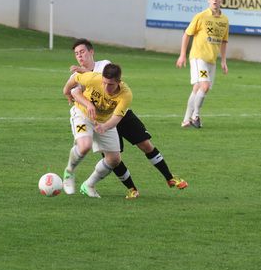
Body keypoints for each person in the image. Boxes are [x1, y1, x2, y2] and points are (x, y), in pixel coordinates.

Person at [66, 39, 188, 199]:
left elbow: (103, 79)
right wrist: (84, 99)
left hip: (120, 114)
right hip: (98, 117)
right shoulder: (80, 77)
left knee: (145, 144)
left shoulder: (105, 66)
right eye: (76, 54)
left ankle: (169, 177)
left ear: (91, 52)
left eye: (82, 52)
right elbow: (75, 92)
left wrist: (82, 72)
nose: (80, 56)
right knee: (114, 158)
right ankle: (131, 188)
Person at [62, 63, 129, 198]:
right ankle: (69, 172)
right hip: (82, 114)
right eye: (104, 83)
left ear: (119, 82)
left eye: (110, 84)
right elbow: (75, 78)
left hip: (105, 122)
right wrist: (67, 92)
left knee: (114, 159)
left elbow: (116, 118)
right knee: (85, 146)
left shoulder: (126, 94)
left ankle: (89, 185)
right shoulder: (93, 78)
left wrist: (104, 127)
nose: (106, 87)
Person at [176, 0, 229, 129]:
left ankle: (186, 120)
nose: (215, 0)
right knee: (205, 86)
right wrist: (182, 54)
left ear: (221, 0)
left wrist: (223, 61)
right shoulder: (201, 16)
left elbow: (224, 41)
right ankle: (196, 116)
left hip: (212, 60)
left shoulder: (224, 20)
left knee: (197, 88)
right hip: (199, 57)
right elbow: (187, 34)